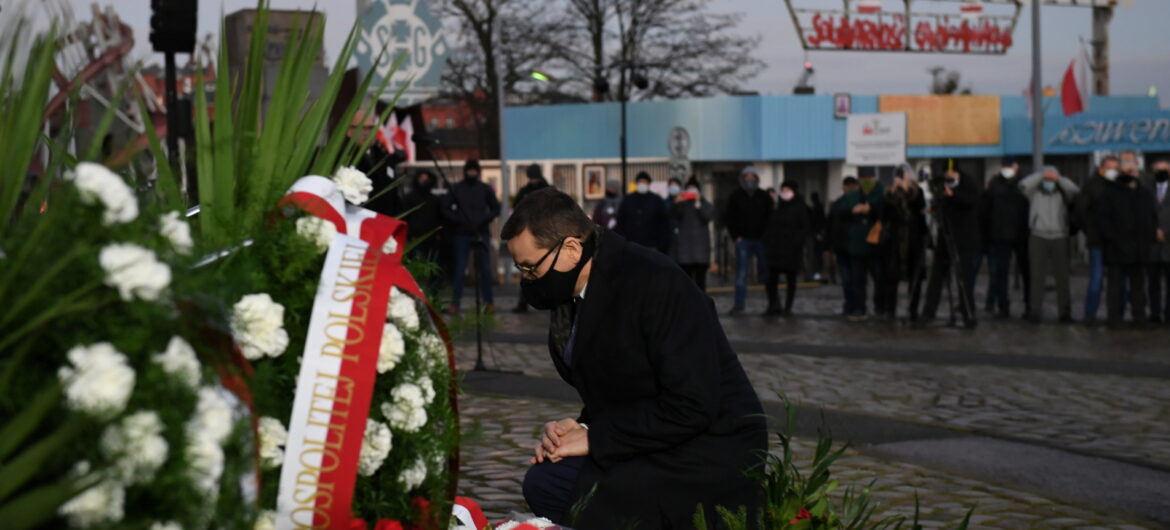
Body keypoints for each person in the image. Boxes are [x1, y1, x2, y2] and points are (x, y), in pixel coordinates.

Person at [504, 188, 767, 527]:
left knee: (563, 487)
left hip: (708, 450)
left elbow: (692, 404)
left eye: (529, 268)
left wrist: (596, 438)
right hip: (660, 437)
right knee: (546, 479)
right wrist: (580, 427)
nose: (526, 280)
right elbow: (624, 383)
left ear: (571, 249)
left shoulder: (655, 282)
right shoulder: (581, 288)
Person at [1097, 165, 1158, 327]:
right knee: (1115, 287)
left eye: (1133, 172)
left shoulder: (1144, 194)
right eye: (1127, 172)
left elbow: (1151, 217)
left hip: (1139, 250)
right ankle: (1114, 319)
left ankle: (1139, 317)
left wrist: (1148, 239)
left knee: (1138, 287)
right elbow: (1103, 220)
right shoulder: (1110, 193)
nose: (1131, 175)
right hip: (1116, 249)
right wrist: (1114, 239)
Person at [920, 168, 981, 326]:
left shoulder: (967, 185)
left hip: (964, 238)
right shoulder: (943, 186)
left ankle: (968, 312)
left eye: (952, 172)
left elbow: (971, 200)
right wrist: (934, 206)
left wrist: (953, 195)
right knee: (937, 275)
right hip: (945, 234)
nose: (949, 176)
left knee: (964, 277)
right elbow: (940, 204)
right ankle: (929, 311)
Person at [1019, 166, 1079, 324]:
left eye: (1051, 179)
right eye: (1047, 179)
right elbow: (1023, 185)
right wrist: (1040, 176)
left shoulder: (1062, 192)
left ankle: (1064, 312)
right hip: (1038, 236)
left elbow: (1074, 190)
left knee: (1062, 277)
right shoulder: (1034, 193)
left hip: (1060, 236)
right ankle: (1035, 311)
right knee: (1036, 276)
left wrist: (1058, 178)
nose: (1049, 182)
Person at [442, 159, 501, 314]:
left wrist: (484, 219)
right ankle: (455, 304)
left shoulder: (485, 189)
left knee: (485, 269)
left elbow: (496, 208)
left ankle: (489, 303)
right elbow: (445, 208)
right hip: (462, 233)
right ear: (465, 172)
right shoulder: (457, 188)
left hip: (481, 232)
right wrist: (458, 219)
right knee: (460, 269)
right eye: (470, 171)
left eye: (474, 171)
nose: (472, 173)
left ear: (478, 172)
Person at [830, 167, 885, 321]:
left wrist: (870, 209)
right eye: (863, 179)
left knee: (879, 279)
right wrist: (853, 211)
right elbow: (838, 212)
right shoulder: (852, 196)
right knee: (857, 280)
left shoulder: (882, 195)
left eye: (869, 179)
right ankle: (860, 308)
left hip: (877, 245)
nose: (866, 182)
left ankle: (880, 308)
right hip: (856, 245)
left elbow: (886, 210)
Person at [980, 156, 1031, 319]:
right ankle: (1003, 307)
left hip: (1022, 234)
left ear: (1016, 167)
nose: (1007, 168)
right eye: (1005, 166)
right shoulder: (995, 184)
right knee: (1000, 274)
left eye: (1010, 166)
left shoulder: (1025, 184)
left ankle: (1030, 306)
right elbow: (987, 210)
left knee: (1027, 273)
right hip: (1000, 235)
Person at [877, 164, 927, 322]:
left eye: (904, 174)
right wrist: (893, 192)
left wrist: (907, 189)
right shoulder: (889, 193)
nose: (901, 177)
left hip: (914, 240)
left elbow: (920, 208)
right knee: (891, 277)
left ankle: (913, 310)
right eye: (899, 175)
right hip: (894, 242)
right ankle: (890, 310)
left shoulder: (917, 192)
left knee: (916, 277)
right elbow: (883, 215)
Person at [1075, 156, 1120, 323]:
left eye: (1116, 168)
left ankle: (1115, 314)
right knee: (1096, 278)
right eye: (1110, 167)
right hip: (1098, 240)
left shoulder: (1119, 184)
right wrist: (1090, 230)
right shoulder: (1092, 184)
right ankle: (1090, 314)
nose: (1113, 171)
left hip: (1115, 241)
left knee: (1117, 280)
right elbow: (1081, 210)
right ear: (1101, 167)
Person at [723, 167, 773, 315]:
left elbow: (771, 218)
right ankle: (739, 304)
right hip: (743, 240)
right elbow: (729, 217)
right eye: (747, 176)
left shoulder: (764, 197)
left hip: (761, 240)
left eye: (752, 176)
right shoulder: (735, 196)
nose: (749, 179)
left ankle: (772, 303)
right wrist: (735, 236)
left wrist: (767, 237)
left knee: (767, 274)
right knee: (741, 274)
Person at [762, 180, 811, 316]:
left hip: (792, 251)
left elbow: (804, 228)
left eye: (787, 190)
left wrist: (796, 242)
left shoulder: (800, 208)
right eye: (783, 190)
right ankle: (773, 305)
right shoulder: (777, 207)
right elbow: (770, 226)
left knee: (791, 280)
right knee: (771, 280)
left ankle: (788, 307)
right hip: (775, 251)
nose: (784, 193)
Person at [512, 164, 551, 313]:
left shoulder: (547, 190)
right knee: (527, 271)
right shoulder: (525, 192)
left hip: (543, 235)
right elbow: (516, 210)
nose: (533, 180)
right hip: (528, 236)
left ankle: (549, 300)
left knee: (546, 269)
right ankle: (524, 302)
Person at [670, 177, 715, 291]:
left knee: (700, 282)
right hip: (685, 251)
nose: (691, 192)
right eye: (689, 189)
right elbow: (672, 215)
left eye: (694, 189)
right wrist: (676, 202)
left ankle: (701, 305)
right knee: (686, 282)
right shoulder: (682, 204)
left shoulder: (705, 203)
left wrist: (698, 203)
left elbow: (708, 217)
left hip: (701, 252)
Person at [615, 172, 670, 253]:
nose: (642, 184)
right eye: (640, 182)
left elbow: (663, 223)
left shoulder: (656, 200)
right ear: (636, 183)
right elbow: (620, 221)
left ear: (649, 184)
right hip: (631, 244)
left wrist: (661, 244)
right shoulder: (628, 200)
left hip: (652, 245)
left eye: (644, 182)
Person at [827, 177, 860, 313]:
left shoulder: (860, 203)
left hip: (855, 246)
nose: (850, 189)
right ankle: (850, 305)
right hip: (842, 246)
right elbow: (830, 225)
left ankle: (856, 305)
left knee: (855, 278)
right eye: (848, 186)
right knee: (847, 279)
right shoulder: (838, 204)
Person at [1148, 160, 1170, 324]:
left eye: (1166, 170)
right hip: (1152, 242)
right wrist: (1154, 230)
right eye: (1159, 170)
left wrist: (1165, 230)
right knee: (1153, 281)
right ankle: (1154, 313)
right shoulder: (1146, 188)